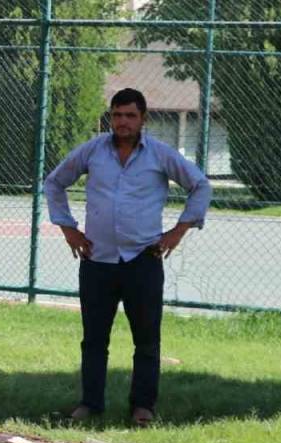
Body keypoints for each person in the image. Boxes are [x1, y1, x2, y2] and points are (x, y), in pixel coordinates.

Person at [44, 88, 212, 425]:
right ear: (111, 117)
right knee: (94, 339)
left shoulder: (160, 155)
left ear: (143, 118)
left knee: (147, 340)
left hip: (143, 260)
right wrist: (68, 229)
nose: (123, 122)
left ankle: (143, 407)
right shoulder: (93, 151)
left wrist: (178, 232)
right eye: (117, 115)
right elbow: (54, 182)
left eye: (130, 115)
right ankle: (90, 404)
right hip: (97, 260)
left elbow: (201, 186)